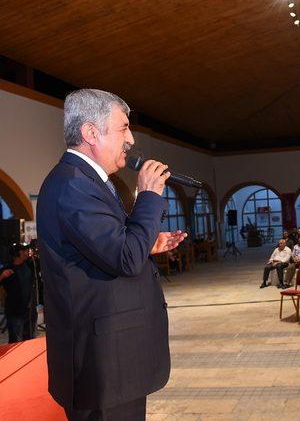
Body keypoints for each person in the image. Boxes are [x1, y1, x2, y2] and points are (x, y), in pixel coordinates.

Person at [37, 89, 187, 420]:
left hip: (114, 360)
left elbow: (110, 248)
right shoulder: (75, 184)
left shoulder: (90, 181)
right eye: (123, 128)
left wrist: (146, 241)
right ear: (91, 132)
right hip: (103, 364)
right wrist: (148, 196)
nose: (131, 139)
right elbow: (126, 259)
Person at [0, 245, 36, 343]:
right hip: (15, 313)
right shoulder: (7, 268)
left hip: (29, 312)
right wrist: (2, 276)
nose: (26, 252)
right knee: (16, 342)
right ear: (17, 254)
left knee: (30, 340)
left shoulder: (29, 264)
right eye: (23, 251)